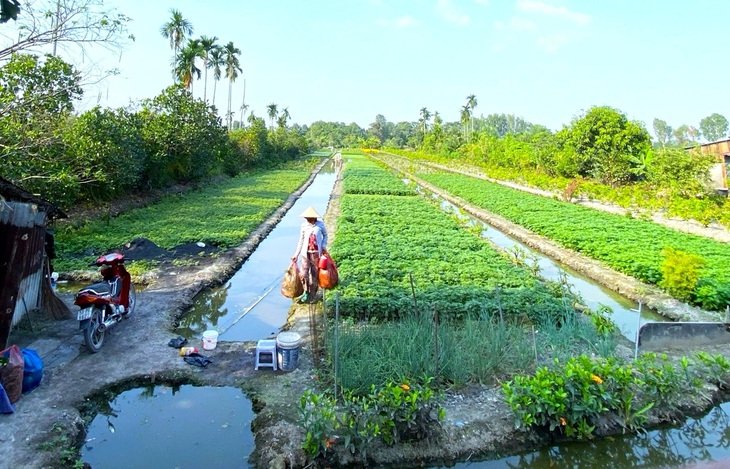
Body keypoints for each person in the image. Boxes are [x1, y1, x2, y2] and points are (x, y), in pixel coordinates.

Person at [291, 206, 328, 303]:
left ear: (314, 218)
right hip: (305, 254)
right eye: (307, 218)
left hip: (316, 254)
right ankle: (306, 292)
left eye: (309, 218)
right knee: (304, 274)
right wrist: (296, 254)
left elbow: (325, 235)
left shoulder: (320, 225)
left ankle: (313, 294)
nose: (308, 220)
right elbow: (301, 240)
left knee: (314, 274)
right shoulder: (304, 226)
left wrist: (323, 246)